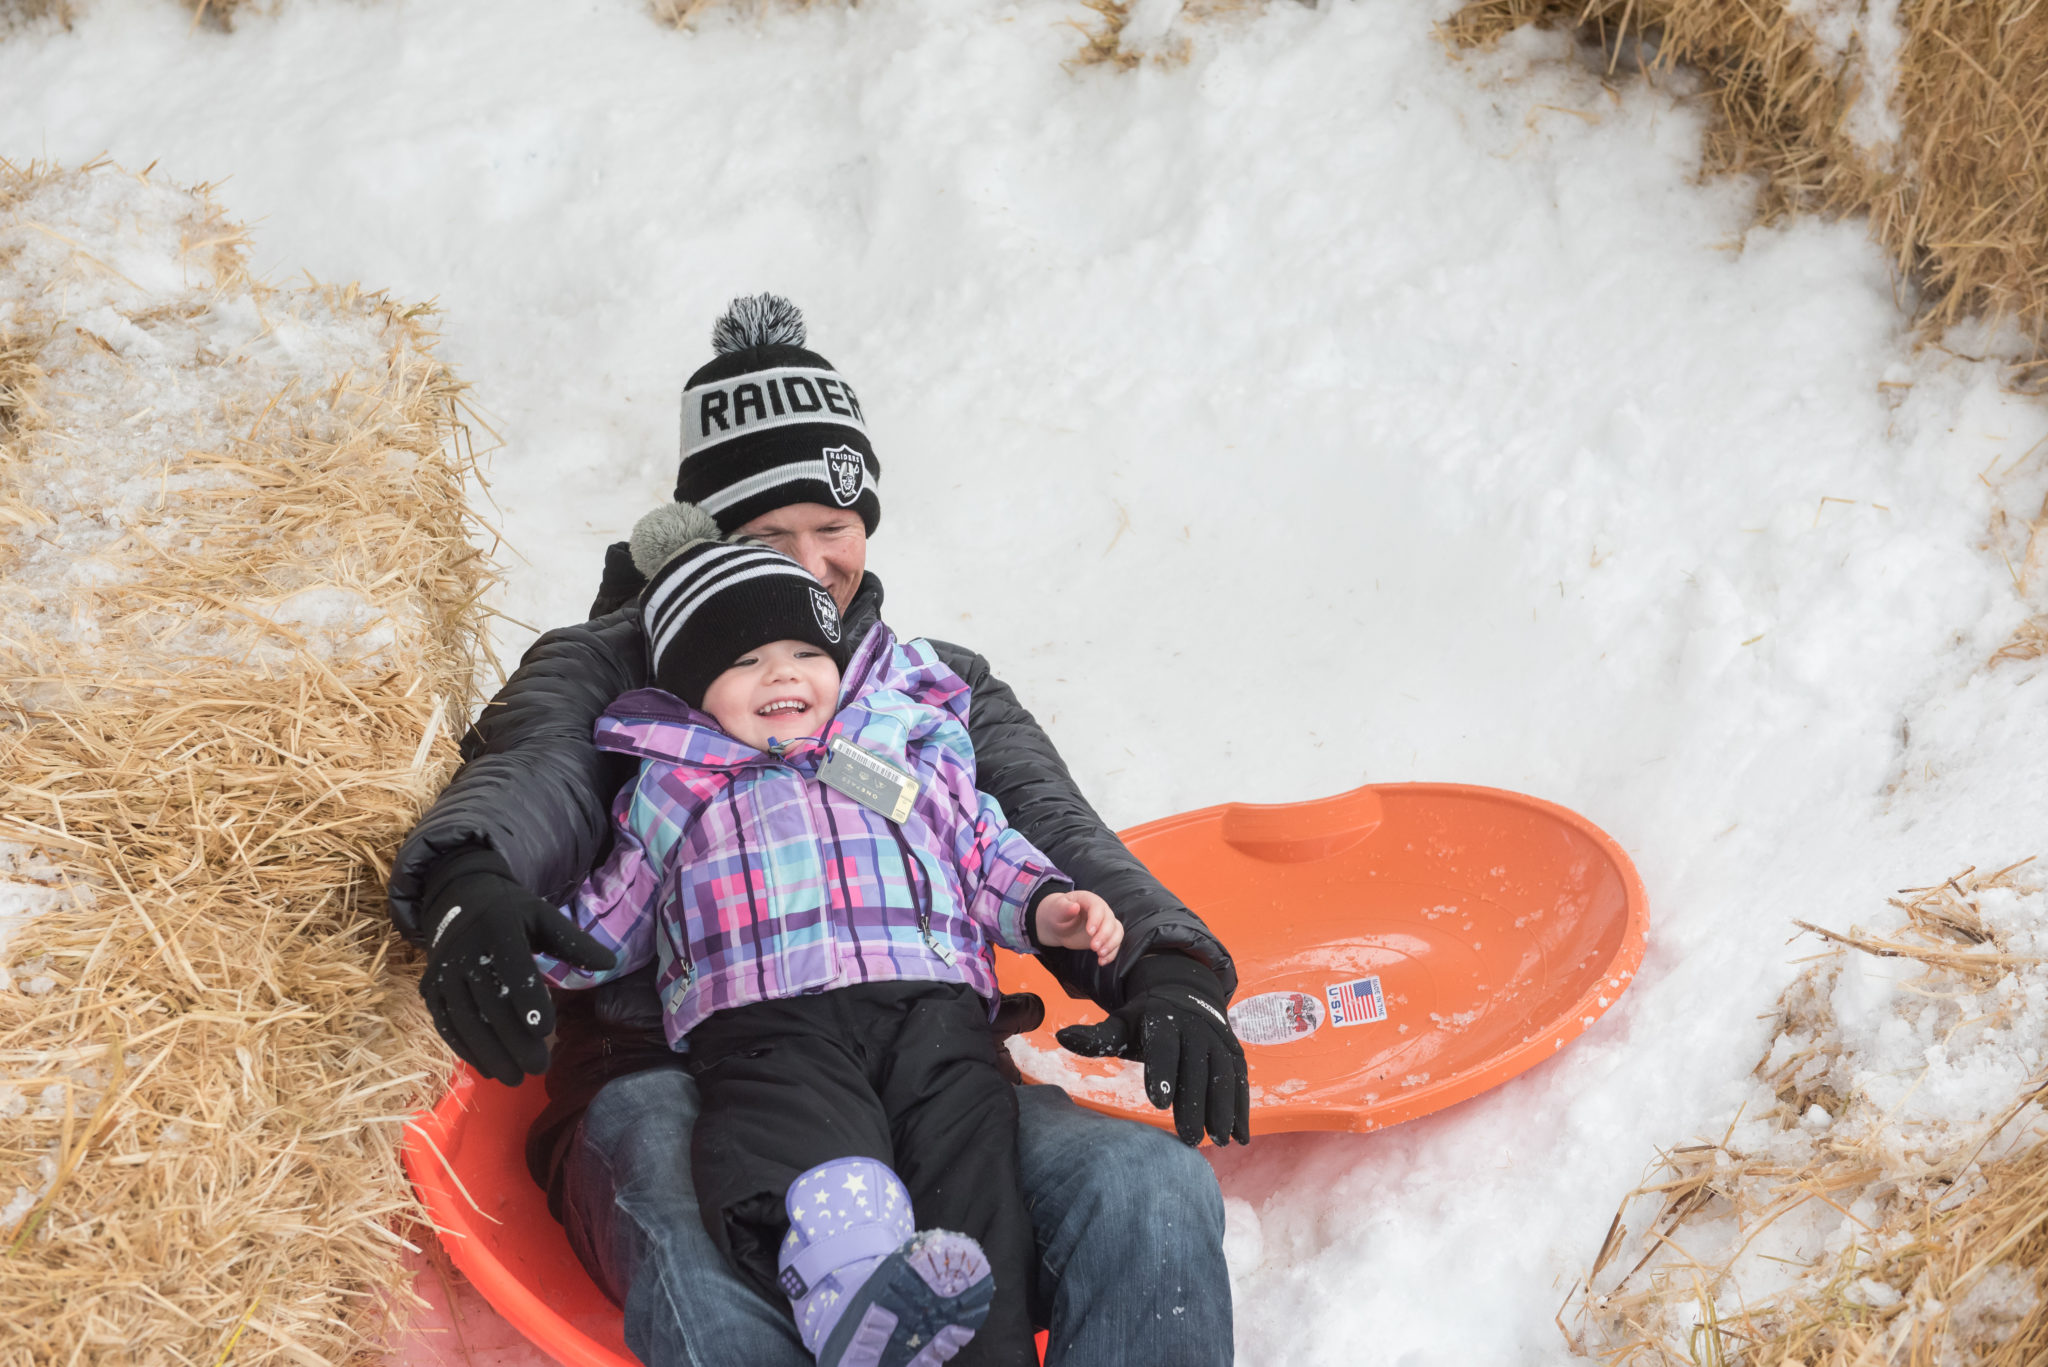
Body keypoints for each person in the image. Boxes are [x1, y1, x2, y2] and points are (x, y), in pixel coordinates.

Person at [392, 294, 1250, 1367]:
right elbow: (540, 773)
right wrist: (473, 876)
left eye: (832, 528)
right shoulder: (611, 672)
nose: (811, 560)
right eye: (767, 535)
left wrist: (1162, 965)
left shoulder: (930, 687)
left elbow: (1036, 827)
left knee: (1146, 1186)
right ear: (701, 536)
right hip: (677, 1066)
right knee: (704, 1242)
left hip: (924, 1063)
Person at [531, 506, 1125, 1366]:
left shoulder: (886, 756)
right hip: (770, 1022)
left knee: (971, 1174)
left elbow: (978, 844)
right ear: (693, 687)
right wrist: (536, 943)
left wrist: (1047, 907)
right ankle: (852, 1302)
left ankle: (974, 1344)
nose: (785, 674)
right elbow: (610, 918)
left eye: (807, 653)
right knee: (809, 1164)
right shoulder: (678, 785)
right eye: (745, 660)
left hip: (933, 1010)